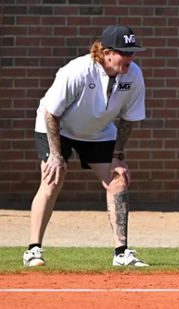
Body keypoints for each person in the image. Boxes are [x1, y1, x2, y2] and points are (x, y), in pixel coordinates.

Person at [23, 25, 149, 267]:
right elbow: (51, 113)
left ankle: (121, 253)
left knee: (118, 179)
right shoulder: (79, 70)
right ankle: (33, 250)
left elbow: (128, 120)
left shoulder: (134, 75)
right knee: (53, 179)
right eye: (125, 52)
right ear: (108, 52)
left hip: (97, 131)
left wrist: (117, 156)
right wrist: (57, 155)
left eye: (133, 52)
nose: (131, 58)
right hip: (57, 127)